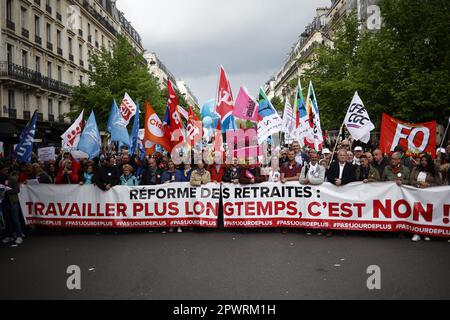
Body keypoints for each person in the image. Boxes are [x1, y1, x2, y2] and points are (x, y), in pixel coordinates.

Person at [409, 153, 442, 242]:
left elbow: (439, 184)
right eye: (422, 160)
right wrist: (419, 184)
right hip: (417, 195)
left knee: (427, 214)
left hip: (429, 196)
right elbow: (411, 180)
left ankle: (426, 232)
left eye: (425, 161)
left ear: (429, 161)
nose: (423, 162)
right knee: (417, 214)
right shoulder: (416, 169)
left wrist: (428, 185)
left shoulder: (434, 171)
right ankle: (417, 233)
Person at [0, 166, 24, 246]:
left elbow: (17, 190)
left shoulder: (12, 179)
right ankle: (9, 235)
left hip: (12, 202)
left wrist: (8, 190)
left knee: (15, 219)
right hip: (4, 202)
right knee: (7, 220)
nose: (6, 171)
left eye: (6, 169)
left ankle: (19, 235)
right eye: (4, 170)